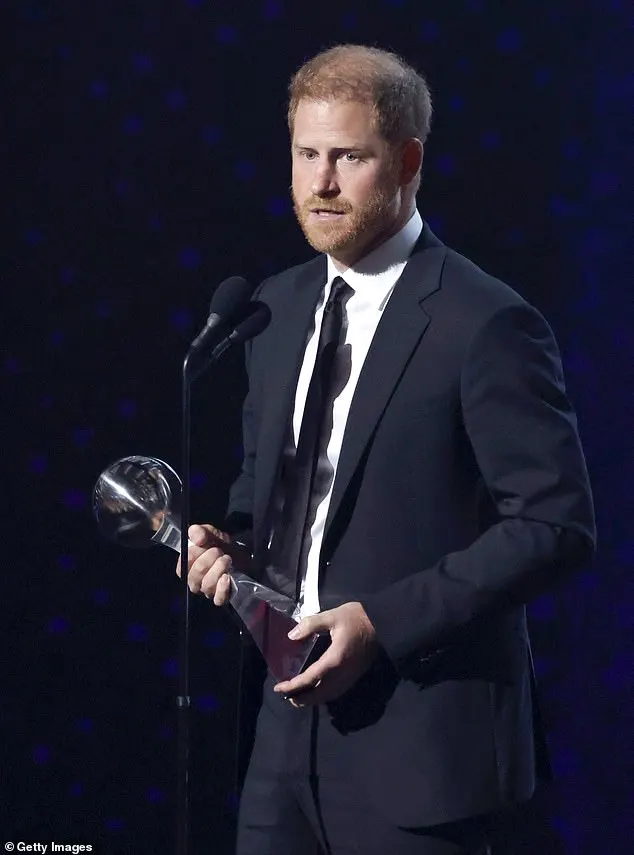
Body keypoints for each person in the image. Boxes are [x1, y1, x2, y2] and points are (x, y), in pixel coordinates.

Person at [179, 45, 595, 855]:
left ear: (408, 161)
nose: (320, 183)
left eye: (348, 157)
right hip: (279, 739)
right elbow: (265, 487)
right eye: (305, 154)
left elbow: (556, 525)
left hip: (422, 747)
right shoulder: (275, 305)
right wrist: (229, 542)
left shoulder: (486, 322)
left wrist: (381, 621)